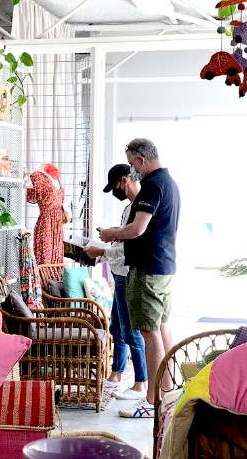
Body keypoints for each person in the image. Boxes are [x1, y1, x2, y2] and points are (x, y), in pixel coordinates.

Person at [99, 138, 180, 418]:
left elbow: (137, 229)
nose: (133, 170)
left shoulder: (153, 185)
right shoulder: (169, 183)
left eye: (133, 164)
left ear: (141, 160)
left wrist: (111, 234)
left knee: (149, 332)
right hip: (163, 266)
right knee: (162, 328)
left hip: (147, 269)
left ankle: (153, 400)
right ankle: (169, 394)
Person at [85, 164, 146, 401]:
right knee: (117, 329)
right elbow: (121, 247)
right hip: (119, 274)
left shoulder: (139, 209)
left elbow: (126, 251)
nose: (115, 192)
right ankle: (117, 374)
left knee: (131, 332)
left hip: (126, 274)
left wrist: (101, 250)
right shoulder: (130, 208)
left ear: (125, 180)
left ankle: (141, 382)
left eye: (115, 187)